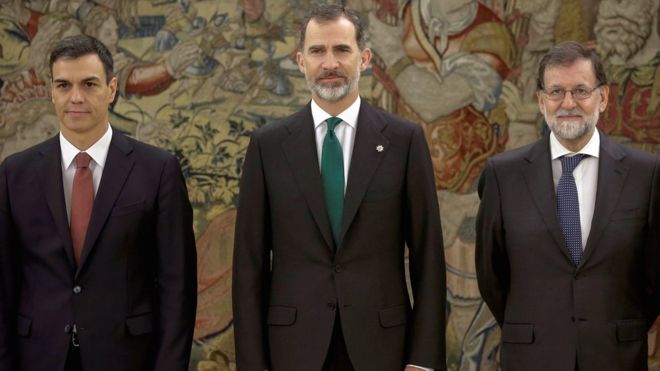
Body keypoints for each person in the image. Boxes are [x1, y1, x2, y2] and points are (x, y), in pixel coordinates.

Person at [232, 4, 446, 371]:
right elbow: (248, 266)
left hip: (383, 350)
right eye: (317, 51)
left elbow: (428, 258)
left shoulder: (403, 141)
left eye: (341, 50)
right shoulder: (268, 146)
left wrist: (423, 360)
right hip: (292, 350)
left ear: (364, 59)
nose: (329, 63)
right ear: (301, 61)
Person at [0, 35, 197, 371]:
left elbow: (177, 286)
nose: (75, 97)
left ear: (112, 88)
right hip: (37, 357)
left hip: (128, 357)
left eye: (89, 84)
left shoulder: (157, 170)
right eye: (63, 85)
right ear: (51, 91)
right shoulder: (14, 174)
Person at [476, 41, 660, 370]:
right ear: (541, 100)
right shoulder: (502, 176)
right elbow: (492, 275)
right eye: (556, 91)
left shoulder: (645, 174)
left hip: (615, 357)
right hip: (533, 357)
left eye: (580, 90)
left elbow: (654, 275)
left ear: (602, 97)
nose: (568, 103)